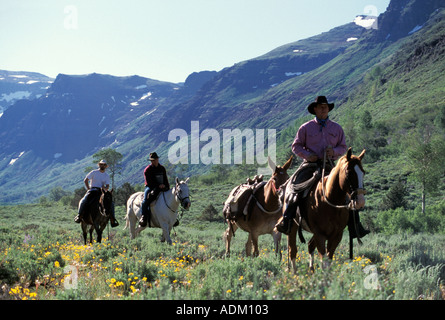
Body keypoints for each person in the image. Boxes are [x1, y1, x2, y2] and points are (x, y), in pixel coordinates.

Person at [276, 96, 369, 238]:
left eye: (325, 106)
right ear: (315, 109)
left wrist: (334, 152)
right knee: (295, 188)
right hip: (310, 165)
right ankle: (287, 220)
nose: (324, 109)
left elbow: (343, 146)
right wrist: (308, 155)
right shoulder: (305, 128)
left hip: (331, 165)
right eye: (320, 106)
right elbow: (296, 146)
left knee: (348, 192)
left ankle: (355, 226)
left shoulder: (336, 128)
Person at [74, 160, 119, 227]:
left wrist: (105, 188)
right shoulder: (94, 172)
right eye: (101, 164)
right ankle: (79, 215)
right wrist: (88, 188)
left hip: (102, 191)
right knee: (84, 200)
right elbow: (86, 180)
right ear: (99, 165)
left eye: (104, 165)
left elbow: (107, 185)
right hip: (93, 190)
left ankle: (112, 219)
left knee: (111, 203)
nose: (102, 166)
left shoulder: (106, 175)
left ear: (105, 166)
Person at [139, 152, 170, 227]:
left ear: (158, 159)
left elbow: (165, 179)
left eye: (155, 159)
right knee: (145, 200)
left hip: (162, 187)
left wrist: (166, 186)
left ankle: (172, 218)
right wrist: (158, 186)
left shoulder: (162, 168)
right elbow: (149, 182)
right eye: (152, 160)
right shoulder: (147, 170)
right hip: (150, 187)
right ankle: (143, 216)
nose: (154, 161)